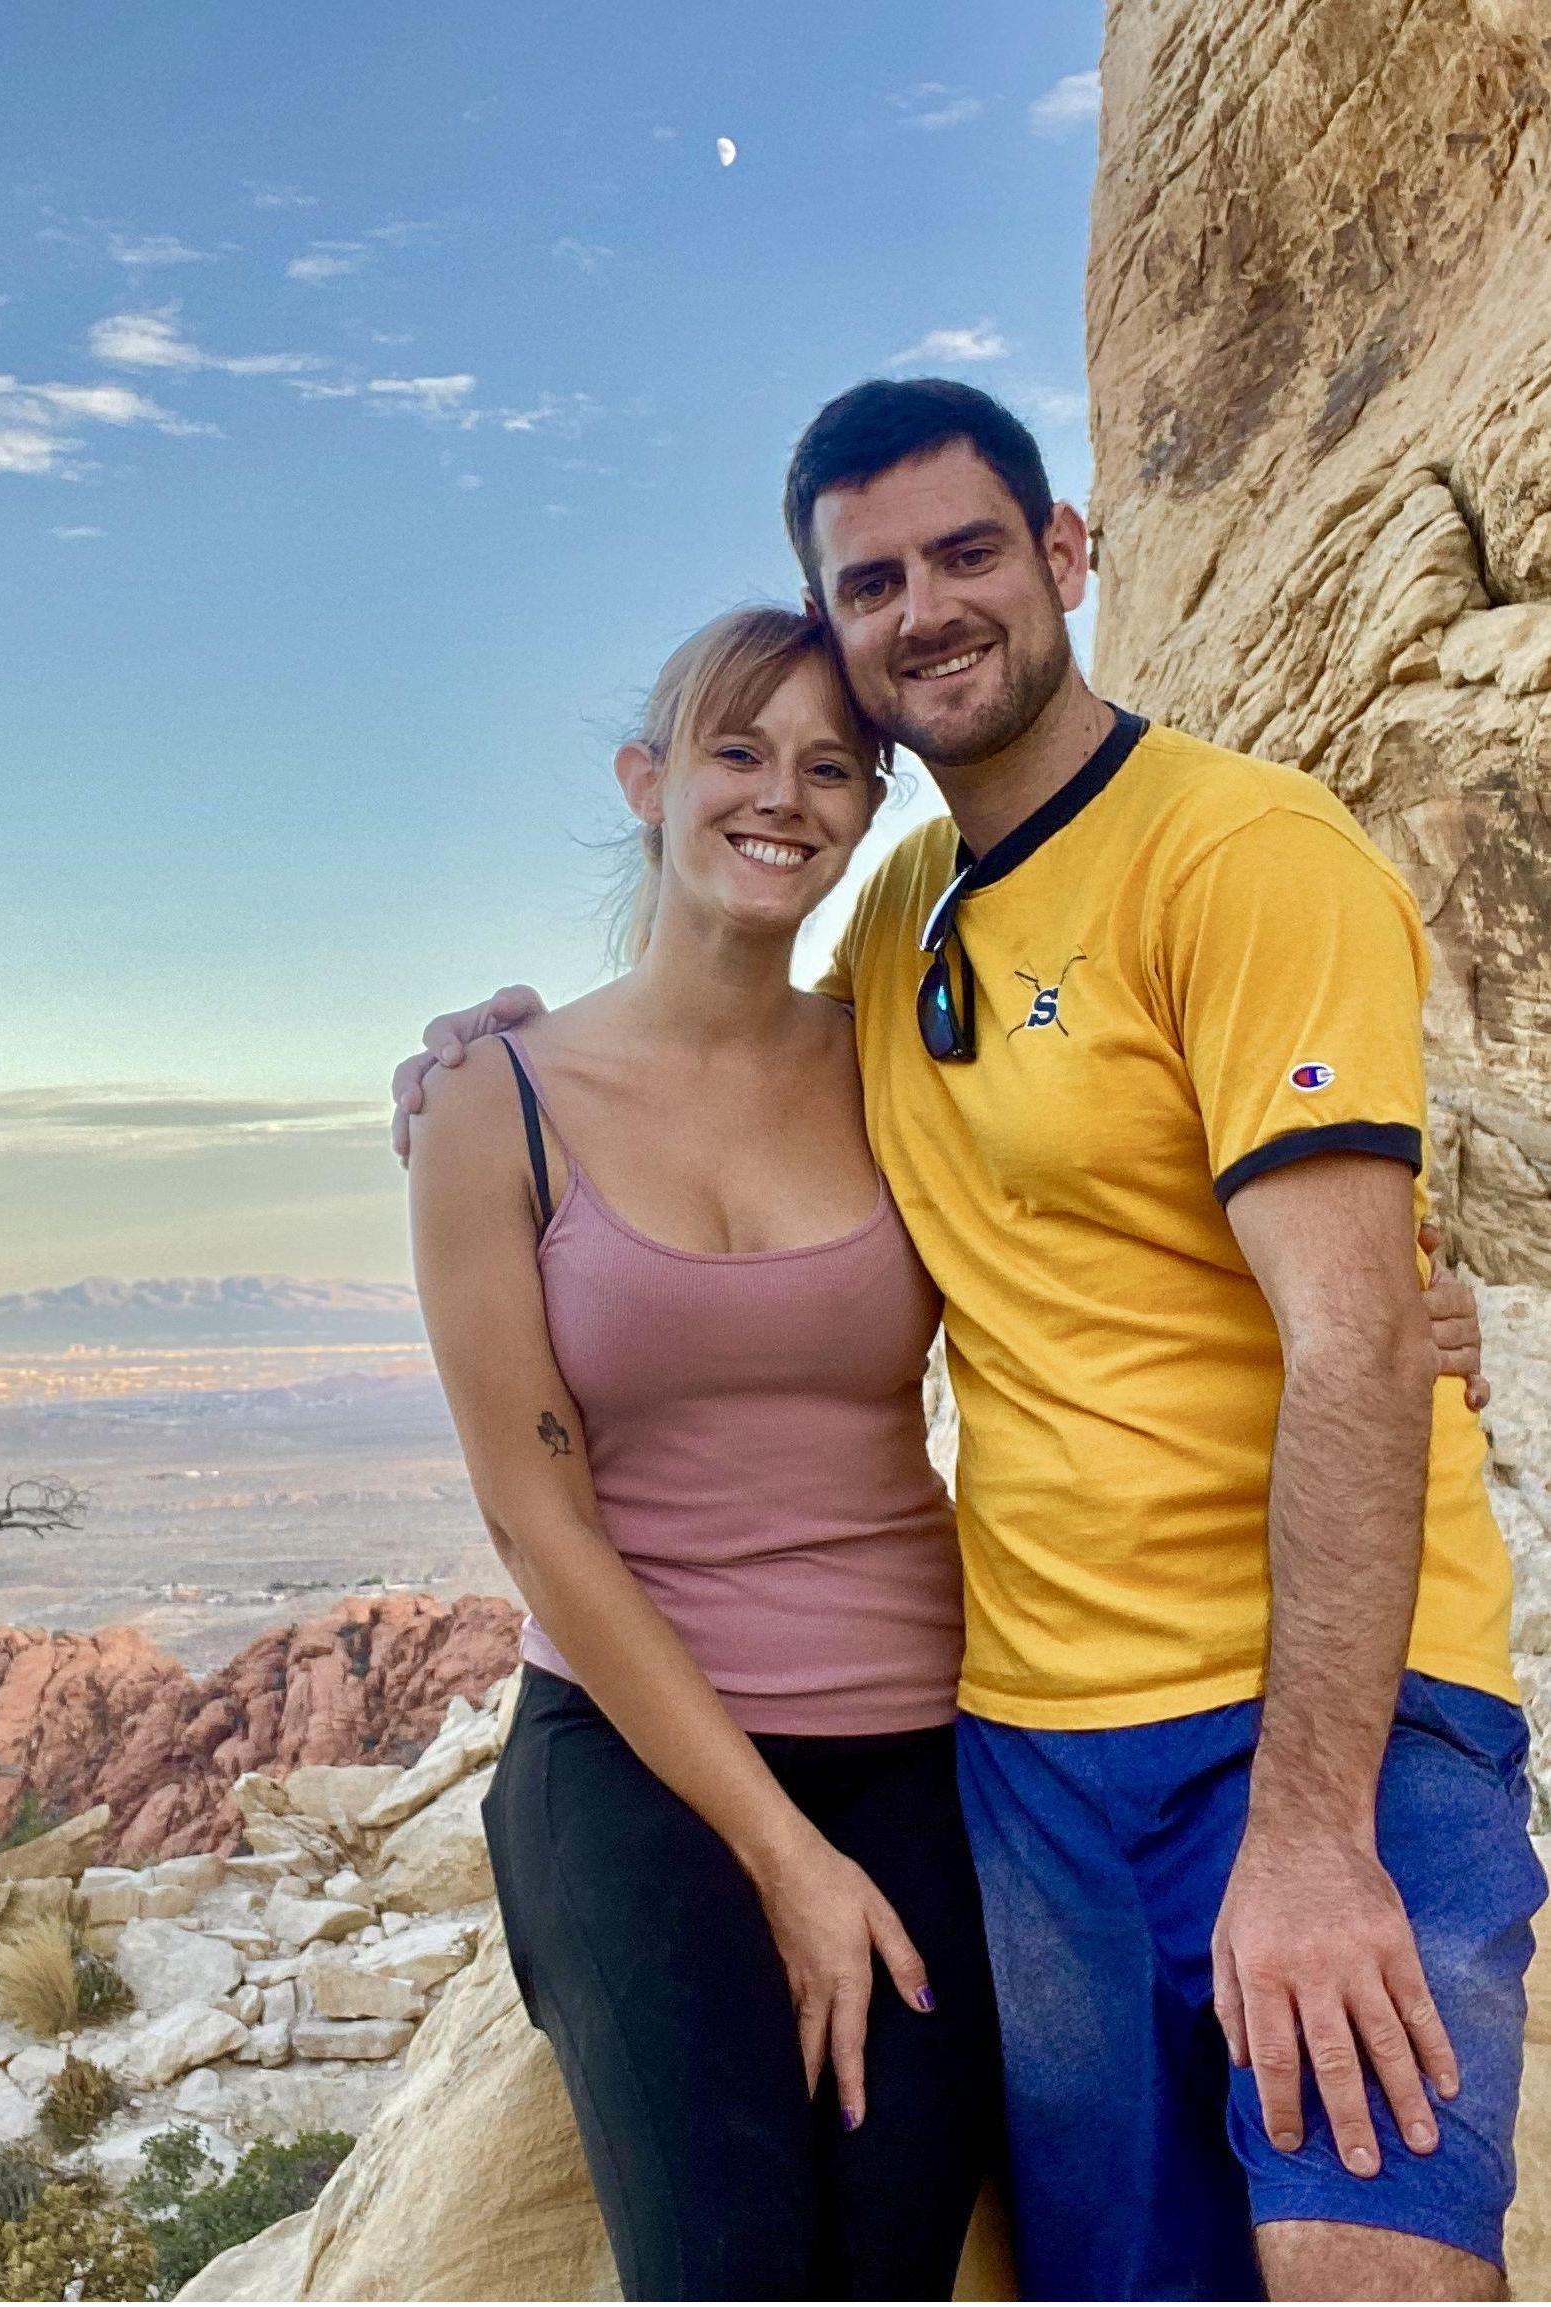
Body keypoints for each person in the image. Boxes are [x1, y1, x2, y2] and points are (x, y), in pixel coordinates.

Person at [393, 378, 1537, 2302]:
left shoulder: (1234, 856)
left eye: (969, 552)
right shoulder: (908, 930)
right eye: (872, 580)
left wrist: (1320, 1827)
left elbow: (1337, 1322)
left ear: (1067, 555)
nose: (922, 608)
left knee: (1359, 2254)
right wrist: (474, 1062)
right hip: (1034, 1748)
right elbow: (759, 1111)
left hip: (1263, 1709)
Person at [408, 605, 1002, 2299]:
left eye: (833, 766)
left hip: (920, 1737)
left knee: (888, 2262)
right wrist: (781, 1856)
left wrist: (1405, 1306)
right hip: (631, 1755)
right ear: (647, 781)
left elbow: (1110, 1233)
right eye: (739, 752)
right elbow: (537, 1521)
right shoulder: (492, 1101)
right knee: (732, 2266)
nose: (783, 797)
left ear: (871, 806)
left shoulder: (905, 1058)